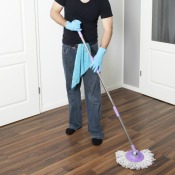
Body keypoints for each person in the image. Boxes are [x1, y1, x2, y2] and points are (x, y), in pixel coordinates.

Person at [50, 0, 113, 146]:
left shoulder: (102, 1)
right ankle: (74, 123)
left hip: (90, 50)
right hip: (69, 49)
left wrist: (101, 52)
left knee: (92, 92)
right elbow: (53, 12)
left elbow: (108, 28)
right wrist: (67, 24)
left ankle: (95, 130)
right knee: (72, 88)